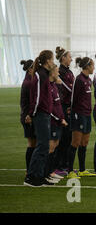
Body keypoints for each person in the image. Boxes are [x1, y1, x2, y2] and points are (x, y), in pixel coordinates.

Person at [24, 50, 56, 187]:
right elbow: (36, 97)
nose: (54, 61)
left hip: (45, 114)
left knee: (44, 146)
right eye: (52, 59)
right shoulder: (39, 74)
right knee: (42, 145)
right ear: (48, 60)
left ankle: (40, 175)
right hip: (40, 115)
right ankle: (31, 177)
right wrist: (31, 114)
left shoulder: (45, 74)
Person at [67, 57, 96, 179]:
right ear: (87, 66)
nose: (94, 68)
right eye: (93, 65)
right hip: (78, 114)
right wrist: (73, 112)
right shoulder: (78, 79)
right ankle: (70, 171)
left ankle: (82, 170)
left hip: (87, 114)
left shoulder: (89, 80)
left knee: (84, 143)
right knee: (75, 142)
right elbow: (73, 98)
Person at [45, 64, 68, 184]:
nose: (59, 74)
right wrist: (59, 119)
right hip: (53, 121)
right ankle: (47, 173)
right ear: (51, 73)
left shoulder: (54, 86)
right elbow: (49, 108)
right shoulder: (48, 87)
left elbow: (58, 104)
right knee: (50, 147)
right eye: (57, 72)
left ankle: (51, 172)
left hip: (59, 121)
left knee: (55, 145)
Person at [54, 46, 74, 176]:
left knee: (69, 137)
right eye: (69, 56)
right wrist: (66, 106)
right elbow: (60, 92)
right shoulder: (59, 72)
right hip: (64, 108)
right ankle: (59, 165)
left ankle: (66, 165)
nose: (71, 59)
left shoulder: (69, 72)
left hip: (70, 107)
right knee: (63, 138)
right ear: (63, 58)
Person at [20, 59, 35, 176]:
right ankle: (28, 170)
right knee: (32, 143)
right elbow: (27, 103)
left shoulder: (30, 80)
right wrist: (28, 115)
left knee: (34, 143)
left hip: (28, 115)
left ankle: (31, 168)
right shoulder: (29, 83)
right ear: (30, 69)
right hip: (28, 117)